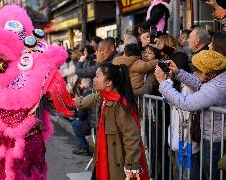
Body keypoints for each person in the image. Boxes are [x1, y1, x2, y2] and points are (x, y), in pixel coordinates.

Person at [154, 50, 226, 180]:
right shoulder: (219, 78)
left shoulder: (216, 88)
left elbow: (185, 103)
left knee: (212, 175)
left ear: (209, 72)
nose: (195, 73)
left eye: (197, 70)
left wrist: (162, 82)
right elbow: (200, 84)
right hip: (215, 137)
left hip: (215, 141)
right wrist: (178, 72)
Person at [75, 63, 148, 180]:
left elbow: (132, 139)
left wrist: (131, 169)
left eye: (97, 76)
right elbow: (85, 101)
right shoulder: (103, 96)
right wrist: (62, 100)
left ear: (108, 83)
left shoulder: (120, 106)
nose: (93, 79)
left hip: (118, 167)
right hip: (105, 160)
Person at [72, 78, 93, 156]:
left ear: (85, 84)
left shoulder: (86, 93)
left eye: (81, 83)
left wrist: (78, 116)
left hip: (91, 123)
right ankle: (83, 146)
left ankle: (84, 147)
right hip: (94, 121)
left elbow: (82, 114)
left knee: (75, 123)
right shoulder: (94, 92)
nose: (80, 85)